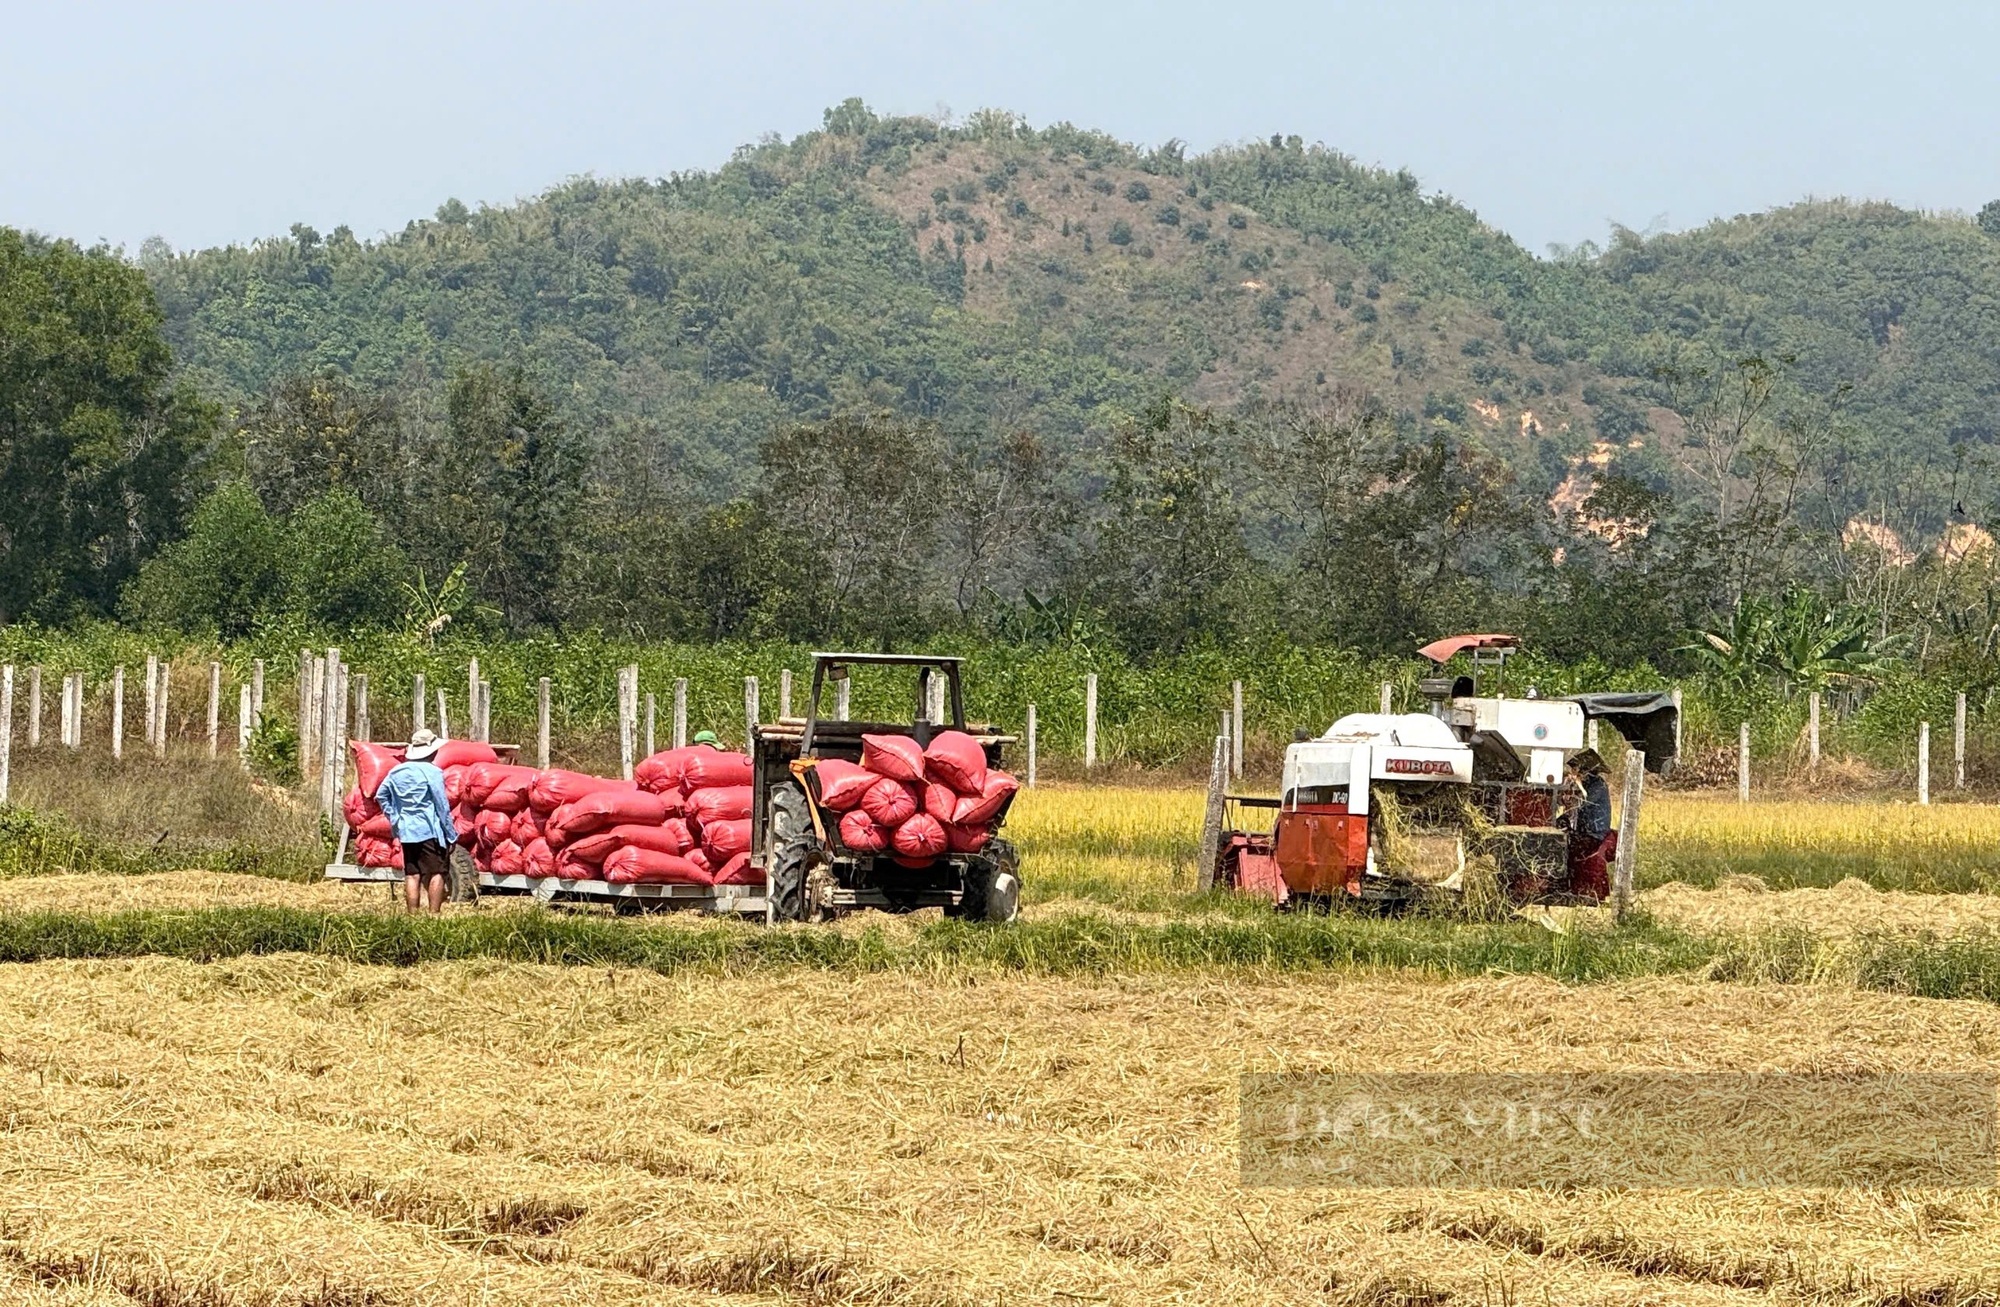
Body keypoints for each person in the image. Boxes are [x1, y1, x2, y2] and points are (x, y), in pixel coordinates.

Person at [376, 728, 457, 913]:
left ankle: (412, 915)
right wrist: (451, 835)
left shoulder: (396, 771)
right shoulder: (433, 772)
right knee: (437, 871)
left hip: (407, 831)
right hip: (430, 829)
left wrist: (395, 817)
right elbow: (442, 806)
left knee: (412, 873)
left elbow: (381, 795)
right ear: (432, 751)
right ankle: (434, 914)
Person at [1562, 748, 1615, 901]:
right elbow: (1570, 805)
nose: (1574, 772)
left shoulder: (1598, 785)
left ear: (1585, 770)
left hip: (1594, 833)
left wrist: (1577, 785)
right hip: (1585, 831)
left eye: (1577, 769)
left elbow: (1583, 802)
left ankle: (1570, 889)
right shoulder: (1589, 784)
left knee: (1568, 849)